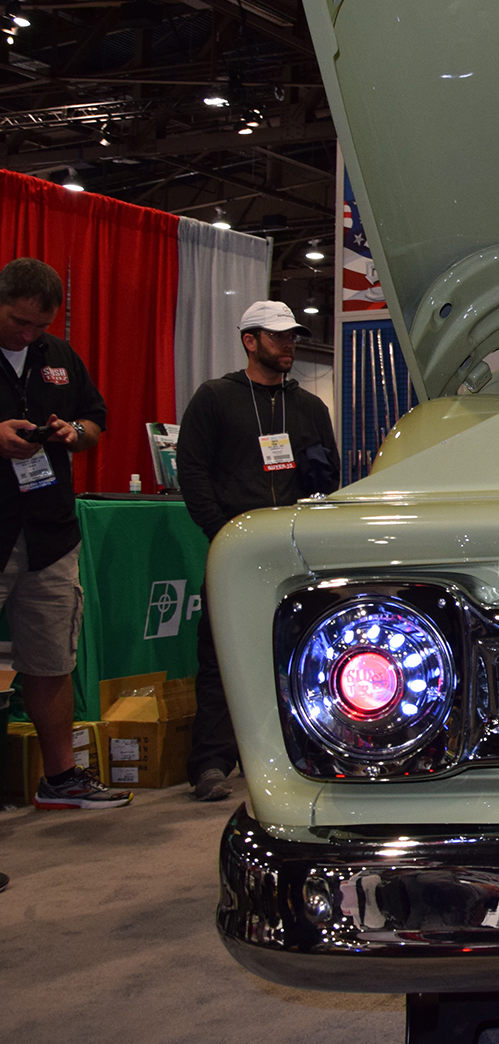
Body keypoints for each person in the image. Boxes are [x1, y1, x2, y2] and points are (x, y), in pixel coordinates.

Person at [175, 300, 341, 801]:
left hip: (295, 550)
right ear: (250, 341)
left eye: (292, 336)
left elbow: (329, 477)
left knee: (305, 655)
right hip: (235, 547)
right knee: (220, 654)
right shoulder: (215, 398)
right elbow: (193, 471)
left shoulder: (309, 407)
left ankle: (305, 754)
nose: (288, 344)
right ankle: (211, 763)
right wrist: (222, 532)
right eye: (277, 336)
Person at [0, 258, 124, 809]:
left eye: (40, 326)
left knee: (51, 659)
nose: (29, 334)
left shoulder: (59, 356)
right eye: (19, 322)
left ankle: (60, 777)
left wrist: (74, 432)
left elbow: (95, 420)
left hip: (50, 533)